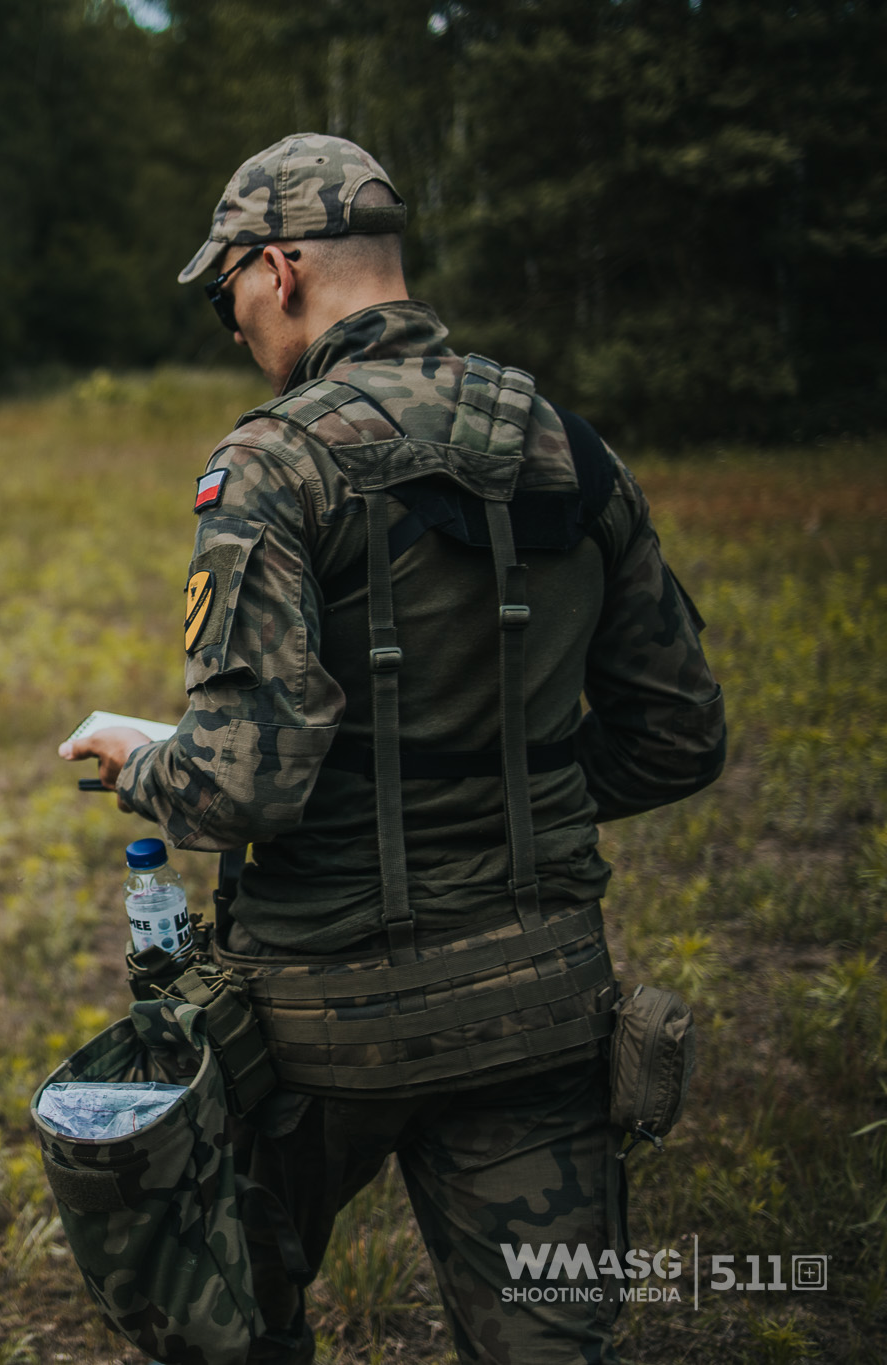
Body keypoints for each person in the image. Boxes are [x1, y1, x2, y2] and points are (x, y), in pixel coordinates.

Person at [59, 134, 725, 1363]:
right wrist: (503, 800)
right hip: (539, 1010)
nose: (236, 319)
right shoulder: (570, 451)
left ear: (280, 268)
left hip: (320, 1022)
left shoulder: (272, 463)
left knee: (228, 1332)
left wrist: (141, 762)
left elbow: (246, 779)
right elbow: (679, 736)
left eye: (228, 294)